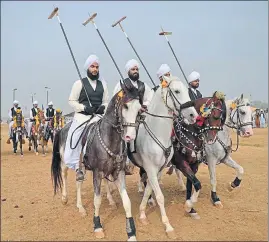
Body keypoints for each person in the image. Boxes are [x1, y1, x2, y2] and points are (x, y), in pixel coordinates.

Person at [64, 54, 109, 181]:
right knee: (76, 135)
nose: (95, 69)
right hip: (82, 117)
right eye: (92, 66)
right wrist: (84, 108)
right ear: (88, 68)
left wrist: (103, 107)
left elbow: (106, 101)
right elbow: (71, 101)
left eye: (97, 67)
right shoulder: (79, 83)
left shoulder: (103, 85)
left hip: (98, 116)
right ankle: (78, 166)